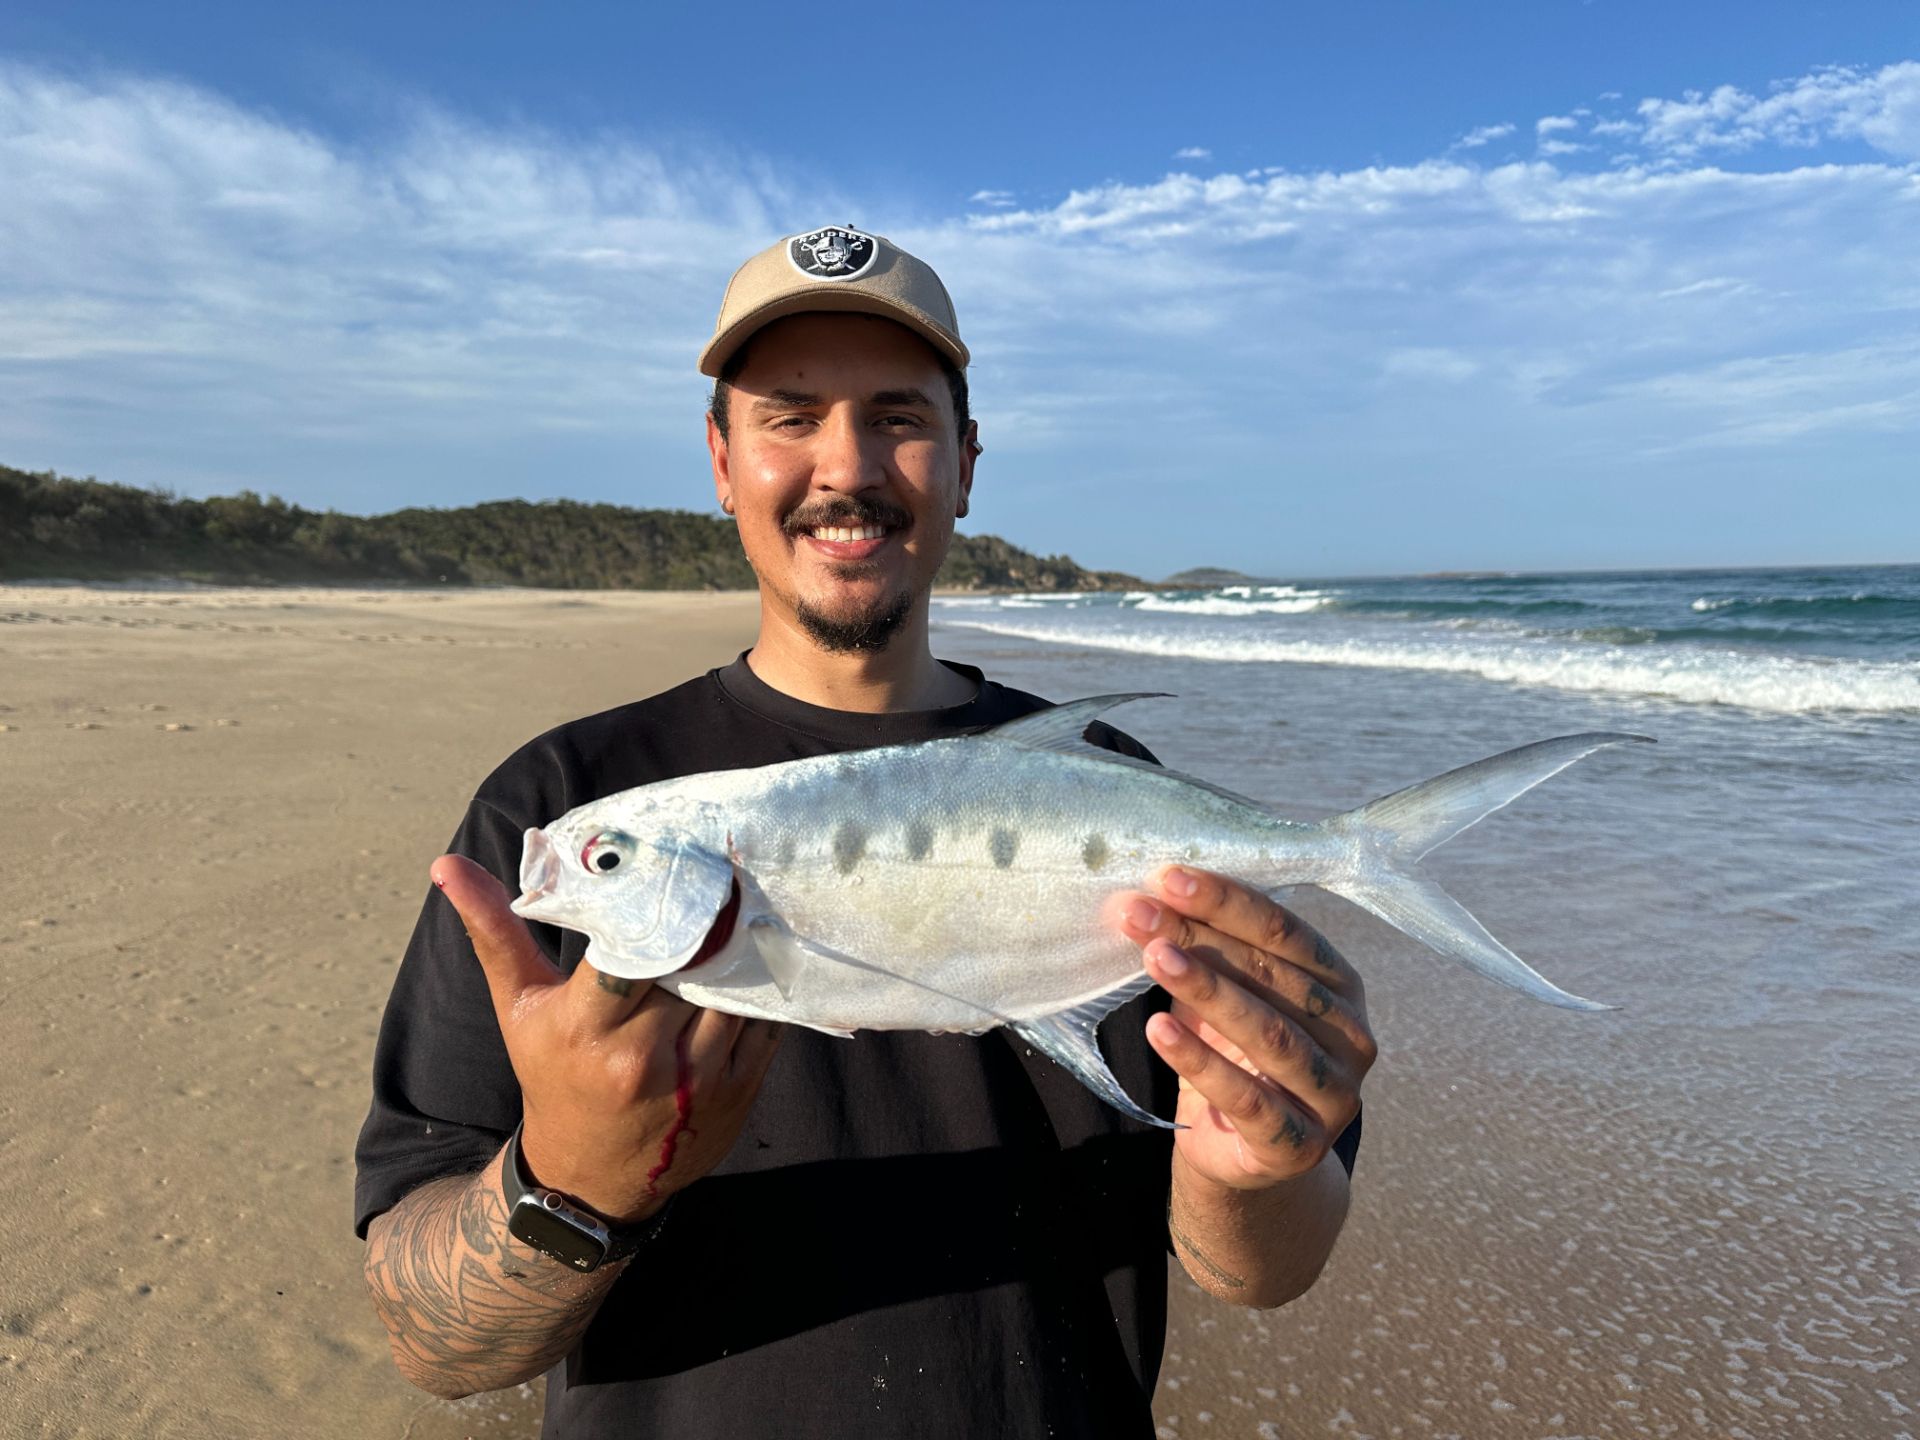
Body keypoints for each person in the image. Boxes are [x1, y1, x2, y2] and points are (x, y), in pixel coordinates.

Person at [355, 226, 1374, 1438]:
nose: (845, 465)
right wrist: (570, 1185)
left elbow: (1261, 1271)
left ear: (965, 463)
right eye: (789, 417)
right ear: (722, 461)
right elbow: (430, 1344)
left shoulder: (1108, 795)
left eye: (897, 416)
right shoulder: (565, 801)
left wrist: (1249, 1172)